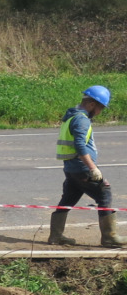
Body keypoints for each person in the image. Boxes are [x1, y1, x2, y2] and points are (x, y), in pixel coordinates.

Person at [49, 85, 126, 247]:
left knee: (68, 199)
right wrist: (93, 168)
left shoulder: (71, 116)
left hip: (70, 168)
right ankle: (109, 237)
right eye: (101, 108)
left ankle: (56, 236)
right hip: (81, 168)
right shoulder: (81, 120)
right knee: (104, 193)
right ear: (92, 104)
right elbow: (80, 145)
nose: (100, 112)